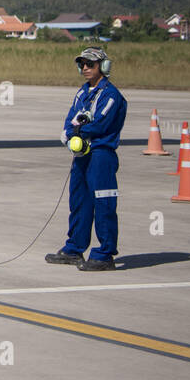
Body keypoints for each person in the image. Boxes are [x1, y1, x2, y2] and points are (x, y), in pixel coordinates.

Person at [45, 47, 127, 271]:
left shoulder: (110, 95)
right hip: (82, 155)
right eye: (82, 64)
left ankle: (104, 254)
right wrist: (68, 132)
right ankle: (74, 248)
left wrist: (75, 132)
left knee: (103, 203)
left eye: (90, 64)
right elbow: (71, 117)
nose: (85, 68)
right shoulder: (82, 93)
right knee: (79, 200)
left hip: (101, 155)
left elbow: (99, 124)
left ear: (103, 66)